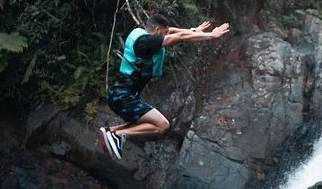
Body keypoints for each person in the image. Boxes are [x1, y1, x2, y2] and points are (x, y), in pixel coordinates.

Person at [98, 14, 230, 159]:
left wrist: (193, 30)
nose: (166, 35)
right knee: (162, 125)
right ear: (157, 30)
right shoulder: (147, 42)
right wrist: (211, 35)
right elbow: (179, 37)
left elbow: (173, 31)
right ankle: (118, 135)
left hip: (118, 94)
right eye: (164, 33)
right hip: (124, 98)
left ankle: (110, 131)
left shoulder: (141, 33)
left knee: (143, 124)